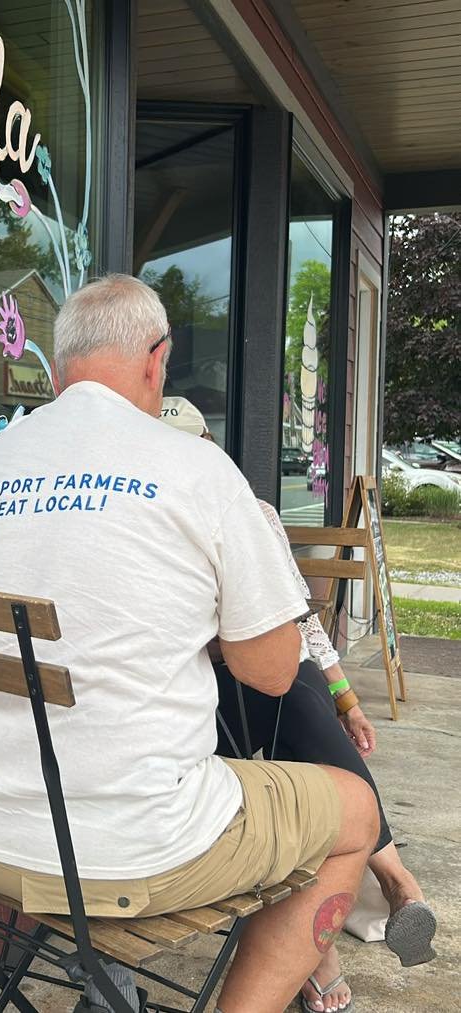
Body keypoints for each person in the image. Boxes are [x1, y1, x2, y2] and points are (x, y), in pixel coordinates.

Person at [0, 275, 379, 1013]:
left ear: (60, 367)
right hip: (125, 850)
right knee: (354, 810)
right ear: (155, 358)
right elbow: (270, 674)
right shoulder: (197, 469)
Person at [161, 397, 437, 1013]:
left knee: (300, 693)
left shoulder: (252, 514)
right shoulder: (150, 518)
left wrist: (347, 700)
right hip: (192, 715)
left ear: (211, 449)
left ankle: (347, 926)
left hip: (255, 697)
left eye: (199, 447)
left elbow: (299, 624)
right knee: (287, 703)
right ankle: (384, 885)